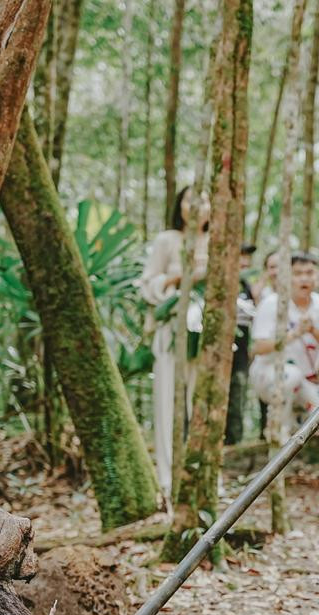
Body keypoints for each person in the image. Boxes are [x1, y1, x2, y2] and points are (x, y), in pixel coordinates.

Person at [139, 186, 208, 500]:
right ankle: (166, 478)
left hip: (208, 333)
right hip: (172, 328)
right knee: (167, 400)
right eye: (190, 198)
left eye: (204, 198)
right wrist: (179, 279)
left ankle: (203, 473)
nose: (196, 205)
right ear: (179, 204)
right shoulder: (168, 240)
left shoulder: (220, 240)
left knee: (202, 402)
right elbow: (147, 284)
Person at [249, 252, 319, 426]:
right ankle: (279, 433)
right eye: (297, 274)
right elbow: (259, 347)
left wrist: (312, 330)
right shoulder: (271, 303)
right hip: (269, 375)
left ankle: (299, 421)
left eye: (309, 273)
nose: (304, 279)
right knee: (291, 377)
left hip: (308, 379)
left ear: (317, 277)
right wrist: (293, 334)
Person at [225, 244, 258, 445]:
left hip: (242, 353)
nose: (245, 262)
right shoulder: (223, 283)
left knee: (238, 395)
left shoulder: (246, 286)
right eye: (241, 257)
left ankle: (234, 442)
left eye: (247, 258)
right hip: (220, 351)